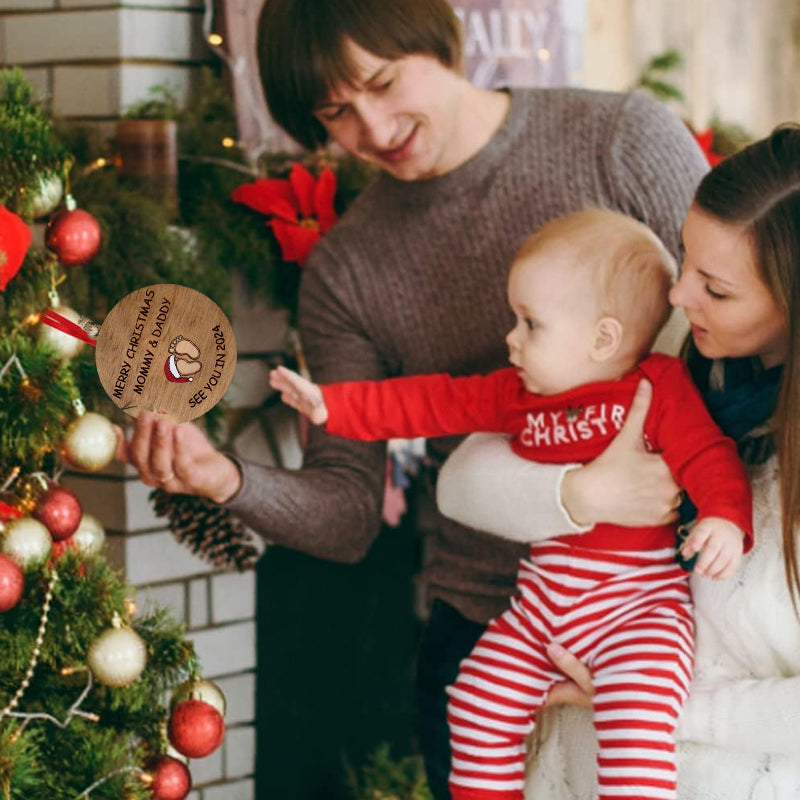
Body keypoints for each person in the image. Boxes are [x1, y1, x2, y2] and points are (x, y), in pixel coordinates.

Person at [114, 0, 708, 795]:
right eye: (336, 113)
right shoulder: (349, 270)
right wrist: (226, 479)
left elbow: (750, 335)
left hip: (664, 610)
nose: (374, 127)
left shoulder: (623, 140)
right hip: (492, 630)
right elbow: (347, 512)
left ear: (436, 35)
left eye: (384, 82)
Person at [269, 207, 752, 800]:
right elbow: (432, 402)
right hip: (541, 609)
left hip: (638, 611)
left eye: (530, 324)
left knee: (635, 721)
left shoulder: (658, 387)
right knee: (475, 699)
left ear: (603, 337)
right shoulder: (517, 396)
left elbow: (707, 453)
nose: (511, 339)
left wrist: (726, 518)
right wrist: (332, 406)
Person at [435, 125, 800, 798]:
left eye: (716, 289)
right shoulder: (670, 343)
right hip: (567, 775)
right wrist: (583, 492)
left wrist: (643, 704)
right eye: (685, 258)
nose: (679, 294)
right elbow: (459, 483)